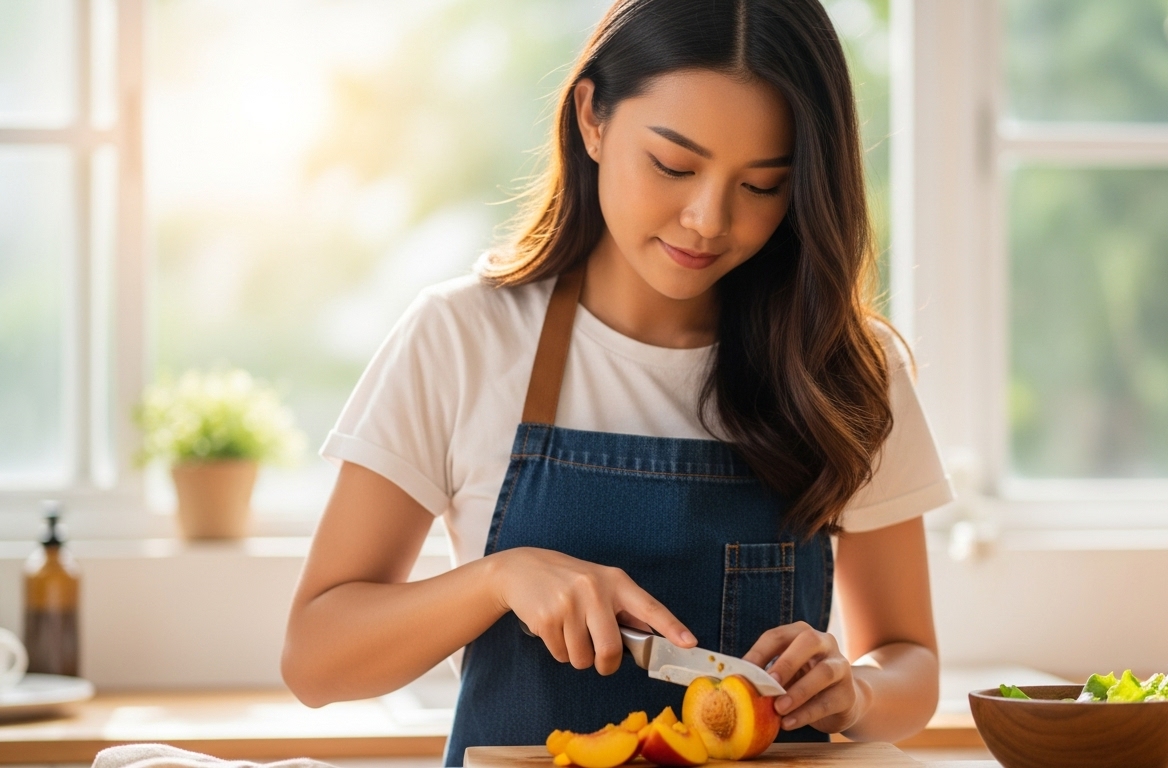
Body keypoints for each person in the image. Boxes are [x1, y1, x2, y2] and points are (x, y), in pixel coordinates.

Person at [281, 0, 951, 763]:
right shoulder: (461, 338)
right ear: (592, 117)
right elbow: (315, 660)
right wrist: (498, 580)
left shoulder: (844, 367)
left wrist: (857, 691)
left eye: (761, 186)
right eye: (673, 166)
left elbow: (910, 666)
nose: (707, 218)